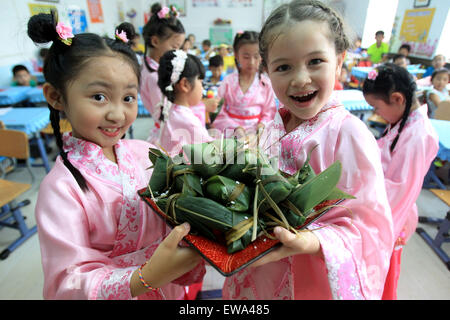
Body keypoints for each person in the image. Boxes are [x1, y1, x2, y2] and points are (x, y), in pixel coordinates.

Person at [222, 0, 394, 300]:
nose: (301, 79)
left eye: (315, 61)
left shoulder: (348, 134)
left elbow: (371, 228)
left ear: (339, 62)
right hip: (257, 271)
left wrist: (313, 241)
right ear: (267, 71)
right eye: (283, 67)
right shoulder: (275, 123)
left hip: (309, 279)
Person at [29, 10, 205, 300]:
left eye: (128, 98)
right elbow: (66, 284)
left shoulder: (146, 153)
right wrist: (145, 278)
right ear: (56, 96)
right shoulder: (60, 189)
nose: (117, 114)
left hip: (169, 289)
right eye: (99, 96)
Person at [362, 63, 439, 299]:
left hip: (391, 216)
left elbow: (399, 191)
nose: (376, 114)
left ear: (397, 99)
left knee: (383, 275)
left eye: (376, 107)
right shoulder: (401, 122)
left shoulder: (419, 135)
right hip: (380, 204)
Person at [212, 31, 277, 137]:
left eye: (256, 57)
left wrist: (261, 126)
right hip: (230, 132)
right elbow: (219, 110)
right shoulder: (228, 82)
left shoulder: (266, 83)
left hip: (256, 135)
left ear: (262, 56)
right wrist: (235, 128)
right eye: (246, 57)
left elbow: (269, 112)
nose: (251, 62)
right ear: (237, 55)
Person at [140, 3, 186, 144]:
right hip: (168, 133)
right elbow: (165, 115)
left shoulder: (151, 66)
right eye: (174, 47)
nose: (178, 51)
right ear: (155, 41)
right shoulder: (154, 77)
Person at [157, 50, 214, 156]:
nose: (202, 87)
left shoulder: (169, 109)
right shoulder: (188, 121)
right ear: (185, 84)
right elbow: (213, 151)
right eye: (200, 82)